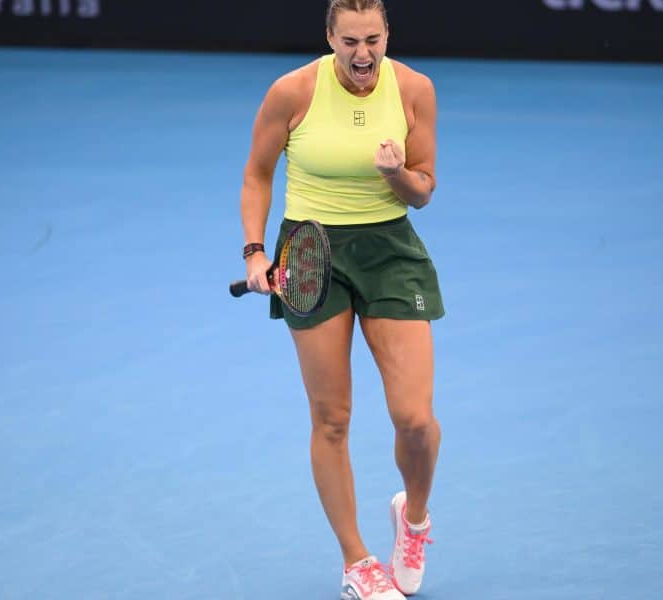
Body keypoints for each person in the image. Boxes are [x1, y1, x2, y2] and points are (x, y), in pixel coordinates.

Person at [238, 1, 443, 598]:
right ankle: (357, 562)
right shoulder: (292, 92)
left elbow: (424, 190)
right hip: (309, 253)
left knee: (415, 419)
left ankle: (415, 518)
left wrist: (396, 175)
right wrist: (255, 252)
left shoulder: (415, 90)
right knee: (331, 418)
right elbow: (257, 173)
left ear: (387, 35)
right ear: (329, 37)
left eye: (372, 39)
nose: (362, 54)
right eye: (348, 41)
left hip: (390, 251)